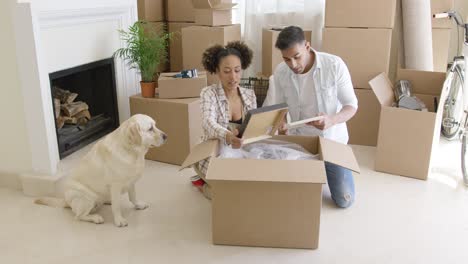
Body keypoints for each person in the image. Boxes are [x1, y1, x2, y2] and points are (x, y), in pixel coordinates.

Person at [263, 26, 358, 208]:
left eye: (296, 57)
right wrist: (281, 121)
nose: (293, 64)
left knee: (344, 200)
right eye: (286, 59)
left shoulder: (334, 65)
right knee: (291, 199)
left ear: (307, 46)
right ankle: (311, 171)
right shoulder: (282, 72)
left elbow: (351, 106)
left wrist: (331, 120)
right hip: (300, 142)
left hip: (331, 141)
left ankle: (329, 169)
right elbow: (280, 107)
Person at [190, 41, 256, 199]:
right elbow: (208, 122)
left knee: (251, 188)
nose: (233, 77)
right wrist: (228, 136)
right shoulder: (208, 93)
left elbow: (253, 127)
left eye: (237, 70)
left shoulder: (249, 94)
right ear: (217, 72)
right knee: (226, 194)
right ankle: (203, 185)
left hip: (241, 151)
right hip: (212, 152)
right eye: (226, 71)